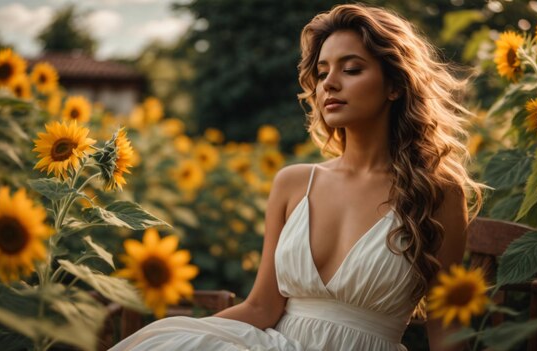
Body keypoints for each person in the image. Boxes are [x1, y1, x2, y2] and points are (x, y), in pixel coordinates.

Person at [111, 3, 482, 351]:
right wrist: (190, 337)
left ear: (395, 85)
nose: (329, 85)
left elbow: (444, 323)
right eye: (322, 73)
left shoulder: (438, 193)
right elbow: (261, 308)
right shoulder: (293, 184)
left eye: (351, 69)